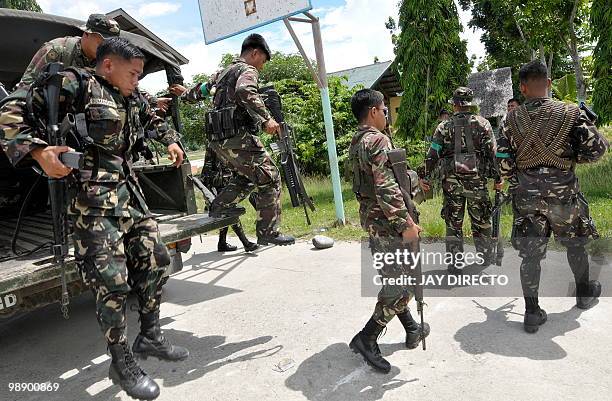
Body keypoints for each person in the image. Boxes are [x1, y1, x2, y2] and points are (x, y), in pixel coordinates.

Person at [0, 37, 190, 400]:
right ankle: (121, 362)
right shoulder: (76, 83)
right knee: (112, 281)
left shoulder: (132, 95)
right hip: (90, 201)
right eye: (133, 73)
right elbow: (11, 110)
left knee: (156, 260)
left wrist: (171, 141)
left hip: (129, 195)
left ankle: (149, 336)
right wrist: (39, 152)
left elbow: (155, 120)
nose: (138, 79)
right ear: (108, 66)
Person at [496, 60, 609, 333]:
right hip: (564, 197)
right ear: (548, 83)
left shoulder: (510, 120)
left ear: (522, 88)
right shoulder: (571, 113)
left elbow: (503, 165)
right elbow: (598, 149)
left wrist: (520, 181)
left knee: (530, 256)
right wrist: (571, 159)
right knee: (576, 245)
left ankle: (532, 312)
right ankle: (583, 293)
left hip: (527, 198)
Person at [169, 34, 294, 246]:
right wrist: (267, 120)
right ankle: (268, 232)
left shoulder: (222, 73)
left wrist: (185, 94)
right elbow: (244, 90)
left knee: (248, 176)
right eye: (262, 61)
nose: (261, 67)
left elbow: (198, 93)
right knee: (271, 177)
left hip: (218, 141)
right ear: (254, 53)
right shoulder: (248, 70)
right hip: (238, 137)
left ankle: (220, 205)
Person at [347, 89, 429, 373]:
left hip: (372, 220)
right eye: (384, 109)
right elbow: (386, 187)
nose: (386, 114)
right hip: (388, 222)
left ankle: (411, 327)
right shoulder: (377, 140)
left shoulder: (356, 142)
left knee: (393, 277)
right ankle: (367, 338)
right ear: (373, 111)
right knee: (402, 285)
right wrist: (406, 224)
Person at [419, 87, 503, 273]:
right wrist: (498, 178)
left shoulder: (443, 127)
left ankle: (455, 265)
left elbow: (433, 154)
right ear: (470, 103)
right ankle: (485, 257)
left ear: (454, 104)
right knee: (481, 220)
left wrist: (424, 176)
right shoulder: (483, 124)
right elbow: (493, 154)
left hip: (452, 184)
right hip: (477, 182)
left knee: (453, 223)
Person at [12, 14, 120, 97]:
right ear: (87, 33)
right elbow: (25, 87)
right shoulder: (57, 50)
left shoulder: (106, 63)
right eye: (101, 43)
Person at [200, 147, 258, 252]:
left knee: (226, 213)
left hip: (226, 186)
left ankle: (222, 243)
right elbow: (206, 174)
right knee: (229, 212)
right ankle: (245, 243)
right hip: (216, 187)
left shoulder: (230, 147)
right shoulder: (214, 148)